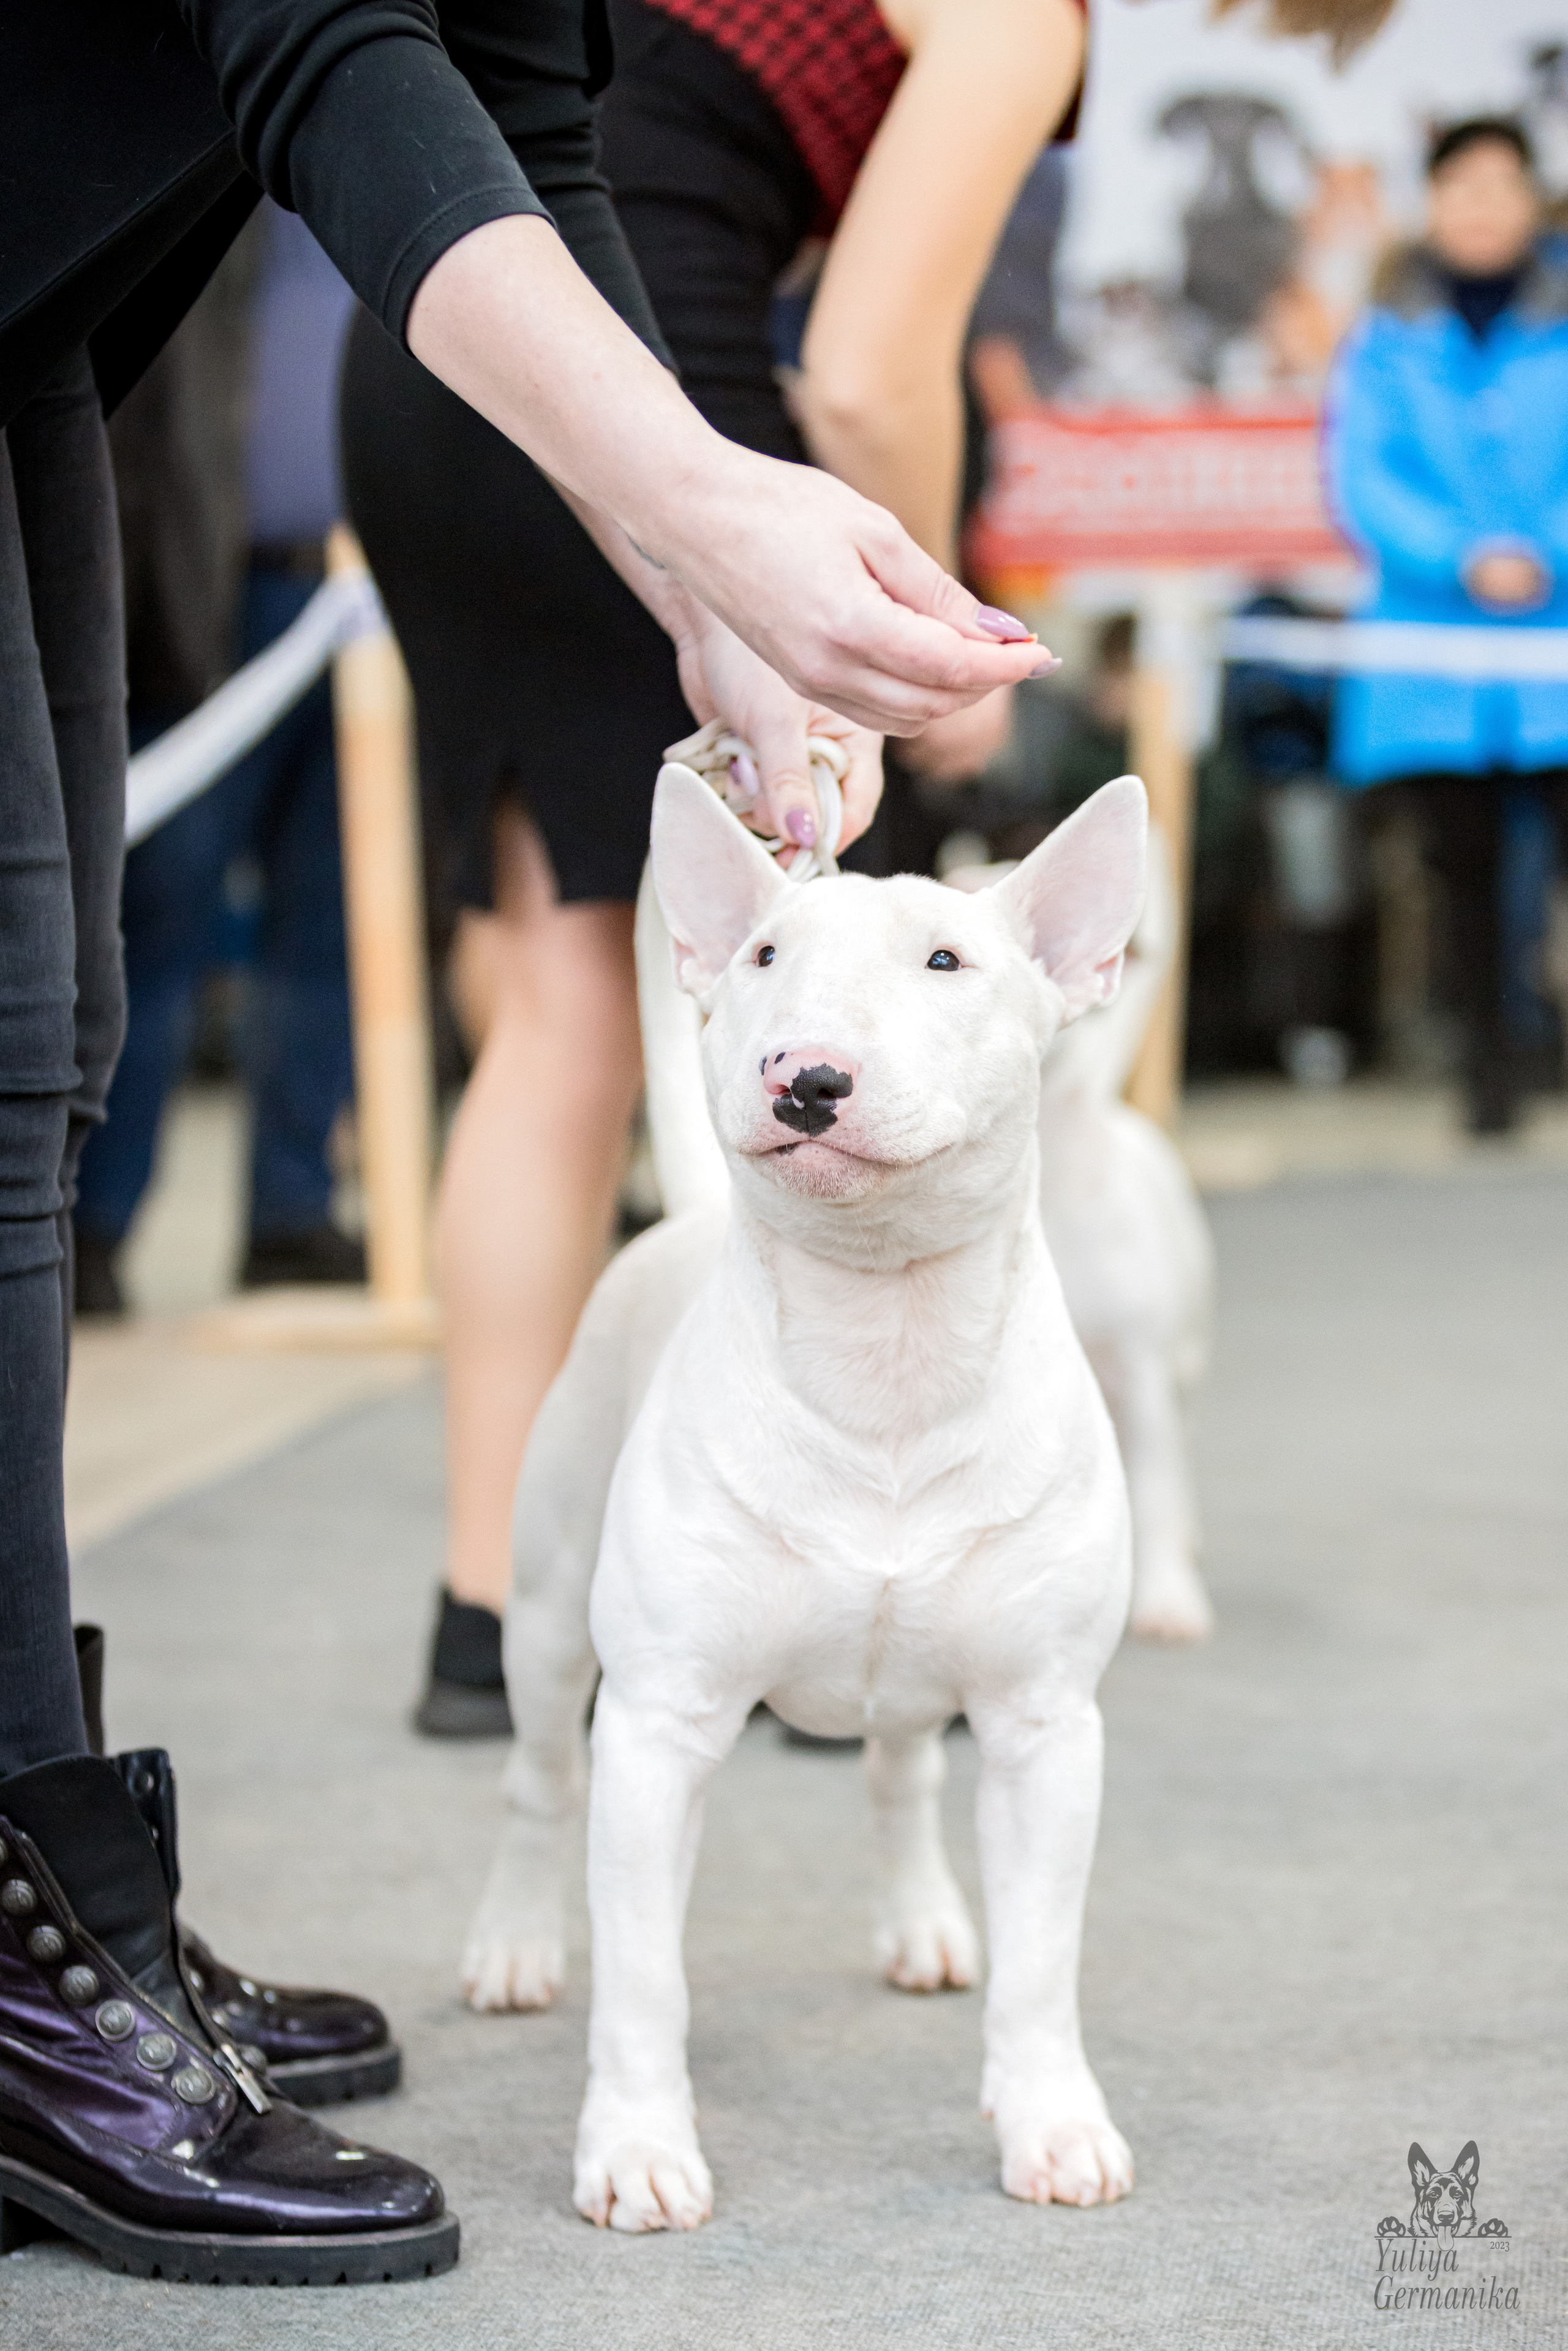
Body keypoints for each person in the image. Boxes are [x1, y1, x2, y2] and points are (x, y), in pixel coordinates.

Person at [0, 0, 1060, 2289]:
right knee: (22, 1054)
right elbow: (323, 37)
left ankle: (47, 1869)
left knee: (53, 1032)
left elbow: (533, 118)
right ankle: (26, 1951)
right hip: (392, 320)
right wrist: (712, 509)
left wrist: (704, 593)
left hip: (175, 323)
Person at [347, 0, 1093, 1736]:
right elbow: (866, 367)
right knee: (816, 1024)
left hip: (442, 340)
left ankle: (492, 1612)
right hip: (654, 396)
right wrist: (930, 628)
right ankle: (766, 1578)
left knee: (557, 1008)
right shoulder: (1022, 15)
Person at [73, 201, 364, 1316]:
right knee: (158, 914)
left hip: (364, 600)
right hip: (211, 595)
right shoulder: (209, 181)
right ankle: (93, 1223)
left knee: (337, 922)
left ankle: (292, 1212)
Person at [1325, 116, 1568, 1133]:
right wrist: (1462, 555)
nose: (1480, 206)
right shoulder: (1383, 334)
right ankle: (1491, 1067)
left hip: (1553, 645)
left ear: (1532, 201)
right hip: (1432, 659)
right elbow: (1360, 477)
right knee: (1461, 875)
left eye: (1499, 186)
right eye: (1460, 186)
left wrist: (1545, 549)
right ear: (1432, 202)